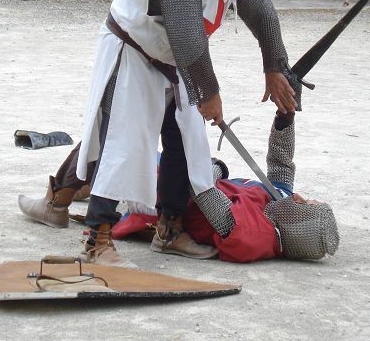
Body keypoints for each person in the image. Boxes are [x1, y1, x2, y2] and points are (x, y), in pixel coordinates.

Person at [19, 0, 300, 267]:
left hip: (174, 59)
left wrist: (274, 67)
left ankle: (168, 230)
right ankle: (95, 239)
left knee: (187, 141)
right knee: (123, 141)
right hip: (133, 50)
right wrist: (209, 94)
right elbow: (188, 40)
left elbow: (263, 15)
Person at [112, 108, 339, 263]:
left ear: (298, 216)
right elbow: (282, 164)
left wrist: (217, 168)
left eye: (307, 203)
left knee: (118, 145)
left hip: (162, 198)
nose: (301, 197)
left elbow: (201, 190)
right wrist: (286, 113)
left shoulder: (251, 234)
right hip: (177, 174)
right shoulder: (280, 203)